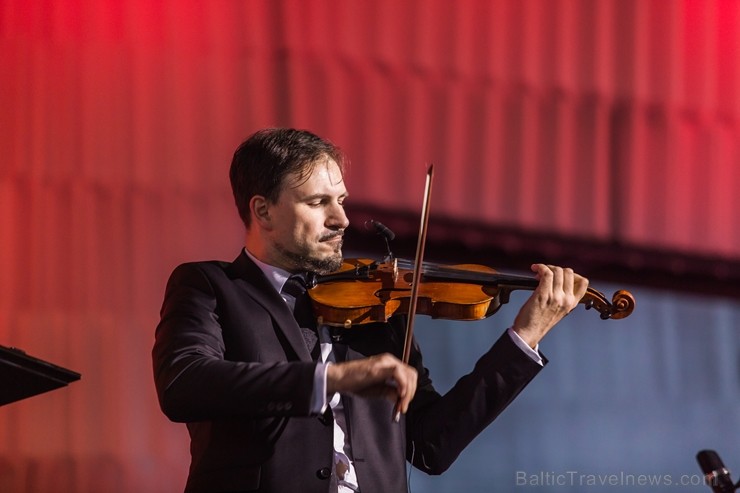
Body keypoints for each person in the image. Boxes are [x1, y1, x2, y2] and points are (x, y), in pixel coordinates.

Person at [152, 128, 589, 493]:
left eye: (340, 200)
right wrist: (333, 379)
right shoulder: (210, 286)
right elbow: (185, 383)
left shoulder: (378, 307)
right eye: (318, 202)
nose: (341, 219)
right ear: (262, 210)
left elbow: (430, 447)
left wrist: (523, 338)